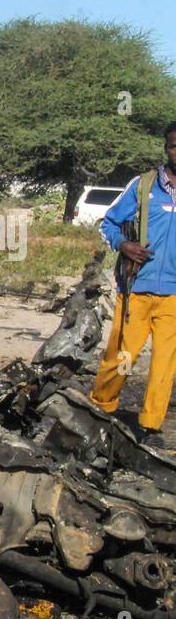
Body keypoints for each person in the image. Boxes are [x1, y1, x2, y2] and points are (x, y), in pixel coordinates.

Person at [89, 122, 176, 448]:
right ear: (166, 148)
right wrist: (123, 245)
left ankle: (151, 427)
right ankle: (100, 407)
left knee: (165, 362)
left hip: (173, 296)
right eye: (173, 145)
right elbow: (108, 223)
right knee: (122, 356)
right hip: (136, 290)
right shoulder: (144, 186)